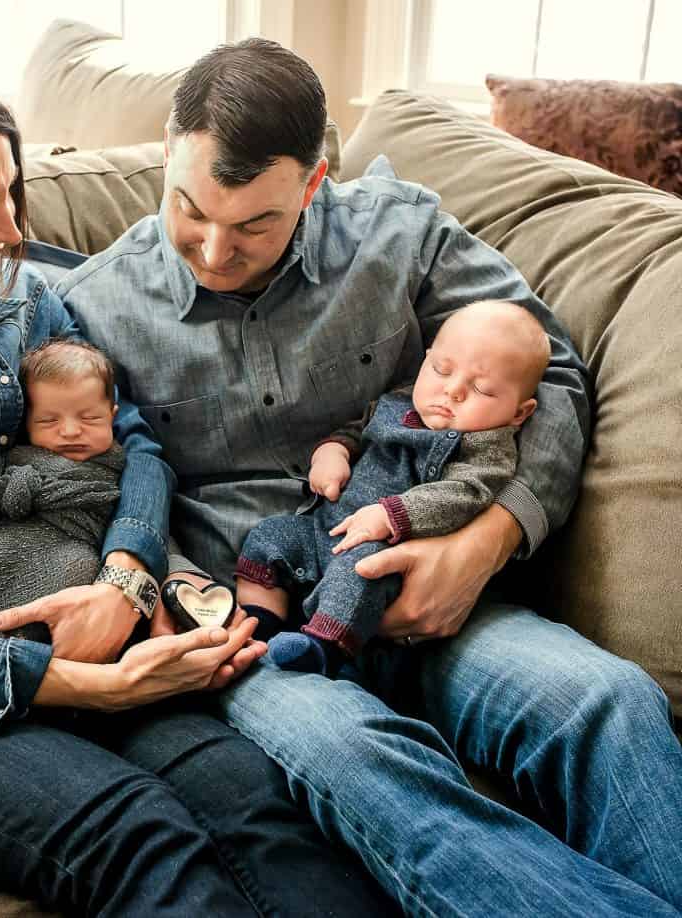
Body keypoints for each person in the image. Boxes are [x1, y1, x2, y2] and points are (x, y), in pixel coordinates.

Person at [0, 47, 399, 916]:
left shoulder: (25, 304)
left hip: (89, 636)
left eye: (10, 192)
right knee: (141, 837)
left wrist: (125, 581)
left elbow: (138, 451)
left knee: (258, 805)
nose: (12, 230)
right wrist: (94, 684)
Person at [48, 37, 682, 917]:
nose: (214, 251)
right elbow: (80, 487)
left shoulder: (403, 232)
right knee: (361, 761)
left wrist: (486, 542)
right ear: (167, 154)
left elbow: (556, 374)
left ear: (314, 185)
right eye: (189, 208)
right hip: (264, 637)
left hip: (430, 588)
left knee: (608, 702)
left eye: (255, 225)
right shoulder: (91, 306)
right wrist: (155, 587)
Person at [236, 300, 549, 674]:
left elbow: (466, 492)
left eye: (481, 389)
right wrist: (332, 452)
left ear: (519, 412)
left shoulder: (486, 448)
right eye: (440, 370)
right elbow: (359, 430)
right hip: (325, 528)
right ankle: (259, 624)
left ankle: (321, 649)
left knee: (362, 574)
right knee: (270, 536)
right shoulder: (399, 401)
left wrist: (394, 514)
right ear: (425, 360)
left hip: (387, 550)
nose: (452, 391)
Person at [0, 338, 125, 642]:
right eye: (48, 420)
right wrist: (16, 490)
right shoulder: (19, 463)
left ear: (112, 416)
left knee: (81, 565)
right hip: (8, 554)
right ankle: (18, 640)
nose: (69, 431)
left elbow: (140, 527)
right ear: (27, 424)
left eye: (90, 418)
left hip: (85, 561)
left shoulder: (122, 470)